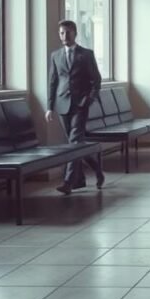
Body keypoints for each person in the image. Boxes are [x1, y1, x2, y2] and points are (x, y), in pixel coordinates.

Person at [46, 20, 105, 194]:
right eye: (62, 33)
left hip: (81, 104)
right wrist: (49, 107)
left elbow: (97, 80)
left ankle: (68, 182)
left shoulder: (86, 54)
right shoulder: (55, 55)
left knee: (74, 141)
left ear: (75, 33)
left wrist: (90, 99)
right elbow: (52, 82)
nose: (64, 36)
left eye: (68, 32)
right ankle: (96, 171)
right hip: (62, 103)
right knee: (76, 144)